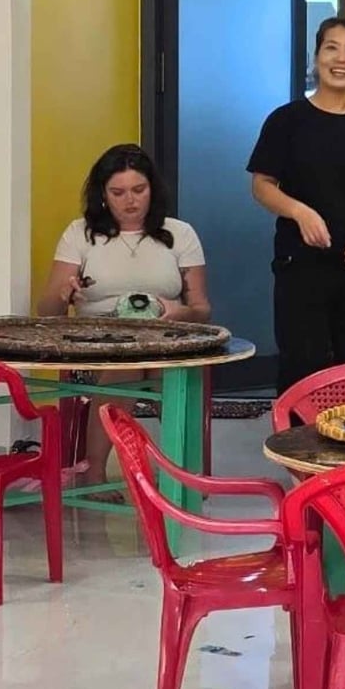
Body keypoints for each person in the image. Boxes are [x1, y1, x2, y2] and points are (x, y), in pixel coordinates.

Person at [40, 143, 209, 496]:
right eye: (117, 193)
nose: (130, 201)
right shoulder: (81, 233)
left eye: (138, 190)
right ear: (103, 195)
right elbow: (47, 314)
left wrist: (180, 312)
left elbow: (202, 309)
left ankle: (184, 475)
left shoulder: (180, 234)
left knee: (169, 372)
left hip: (164, 341)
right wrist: (65, 295)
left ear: (153, 189)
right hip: (99, 346)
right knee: (126, 367)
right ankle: (95, 474)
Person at [248, 16, 345, 394]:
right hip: (301, 268)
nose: (341, 58)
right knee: (303, 367)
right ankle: (295, 449)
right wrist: (299, 211)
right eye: (331, 47)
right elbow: (262, 185)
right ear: (316, 59)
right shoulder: (287, 121)